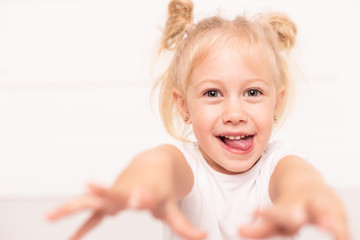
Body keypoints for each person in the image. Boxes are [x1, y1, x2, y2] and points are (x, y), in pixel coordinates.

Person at [47, 0, 349, 239]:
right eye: (213, 93)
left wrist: (306, 196)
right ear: (184, 107)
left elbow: (298, 179)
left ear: (277, 103)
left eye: (253, 92)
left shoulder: (278, 162)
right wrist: (135, 186)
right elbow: (157, 167)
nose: (234, 114)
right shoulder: (185, 163)